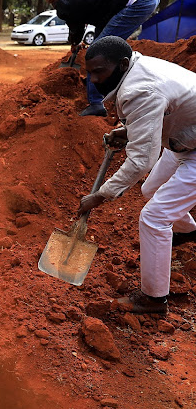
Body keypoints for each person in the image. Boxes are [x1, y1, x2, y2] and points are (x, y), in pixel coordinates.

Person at [77, 36, 196, 315]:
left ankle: (154, 300)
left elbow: (142, 160)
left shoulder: (140, 89)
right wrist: (128, 131)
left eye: (99, 72)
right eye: (90, 72)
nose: (93, 80)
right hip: (185, 137)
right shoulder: (136, 69)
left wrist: (100, 195)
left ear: (122, 64)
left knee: (154, 217)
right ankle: (189, 230)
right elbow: (159, 113)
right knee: (150, 190)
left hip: (193, 147)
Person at [44, 0, 160, 117]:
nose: (55, 6)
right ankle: (107, 87)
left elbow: (75, 27)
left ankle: (96, 103)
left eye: (53, 1)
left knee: (97, 52)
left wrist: (74, 42)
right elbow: (98, 12)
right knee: (101, 42)